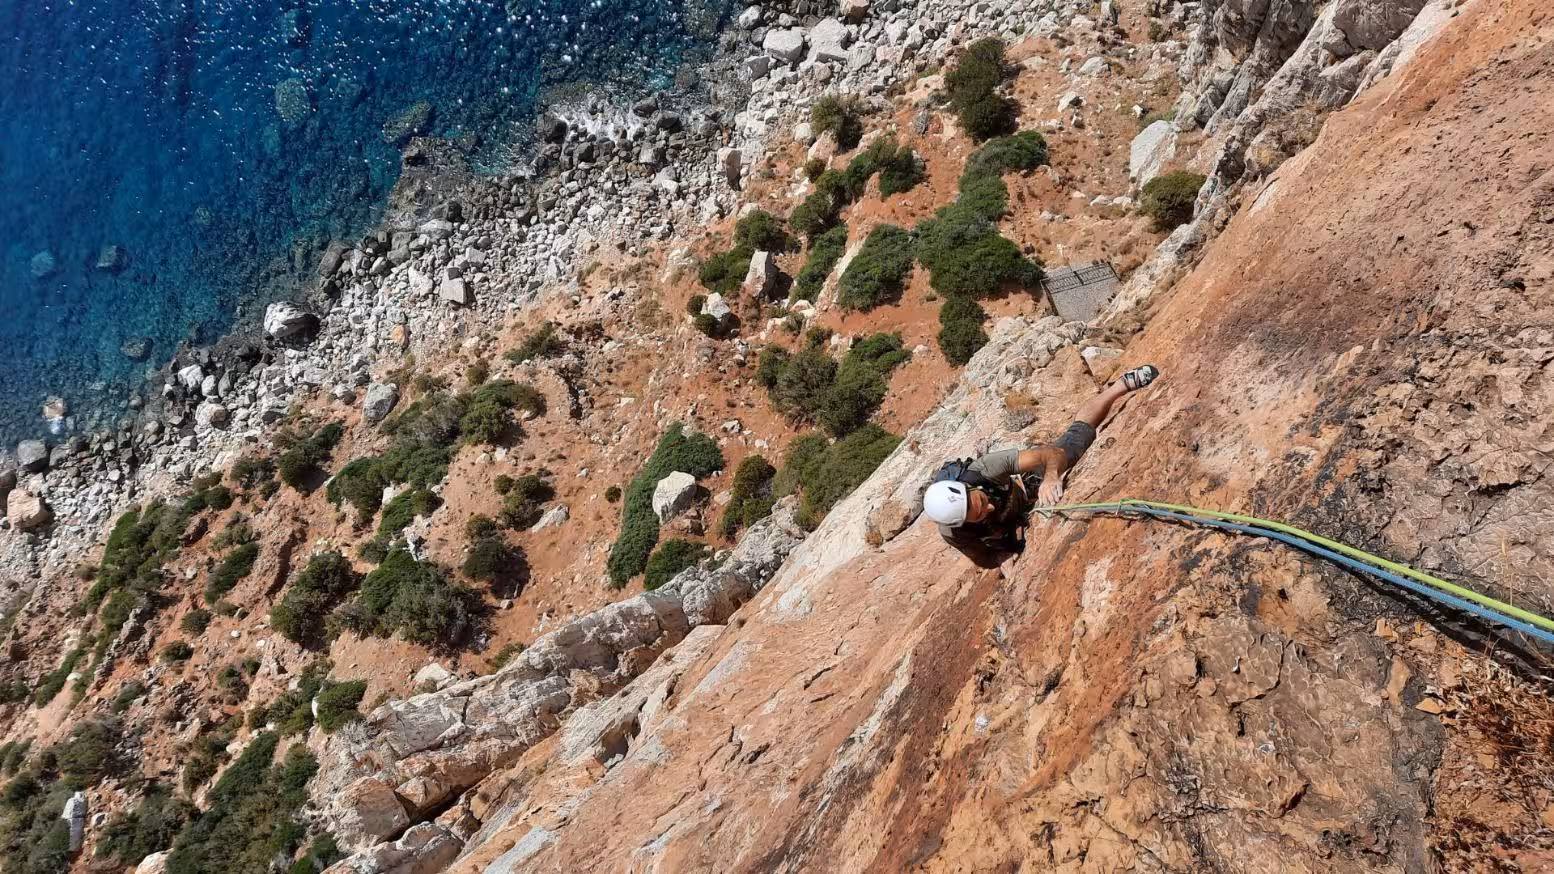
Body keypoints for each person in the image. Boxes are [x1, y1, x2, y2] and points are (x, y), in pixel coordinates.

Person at [923, 365, 1159, 568]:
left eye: (983, 501)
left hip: (1024, 485)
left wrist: (1051, 476)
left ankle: (1119, 386)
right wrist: (1002, 558)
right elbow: (981, 557)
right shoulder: (953, 532)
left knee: (1075, 442)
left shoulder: (985, 469)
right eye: (979, 515)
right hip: (1008, 527)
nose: (991, 507)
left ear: (968, 487)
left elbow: (1049, 453)